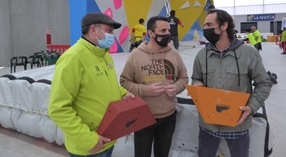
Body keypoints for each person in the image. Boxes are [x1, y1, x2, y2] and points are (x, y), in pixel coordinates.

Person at [48, 12, 134, 157]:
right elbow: (58, 109)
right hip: (89, 147)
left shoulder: (104, 56)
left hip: (108, 138)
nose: (112, 36)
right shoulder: (73, 58)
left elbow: (106, 86)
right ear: (94, 30)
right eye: (109, 31)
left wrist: (123, 93)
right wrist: (89, 140)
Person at [191, 9, 272, 157]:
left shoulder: (248, 53)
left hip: (237, 125)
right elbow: (196, 78)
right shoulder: (202, 55)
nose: (205, 29)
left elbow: (264, 83)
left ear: (223, 26)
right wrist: (197, 85)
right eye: (204, 25)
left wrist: (251, 107)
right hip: (208, 125)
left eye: (209, 24)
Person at [120, 16, 189, 157]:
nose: (167, 34)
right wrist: (145, 90)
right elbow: (124, 81)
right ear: (151, 33)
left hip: (168, 116)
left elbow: (184, 78)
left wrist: (176, 87)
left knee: (163, 154)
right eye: (163, 30)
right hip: (143, 116)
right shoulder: (136, 55)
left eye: (168, 30)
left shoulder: (174, 54)